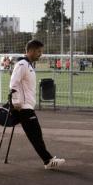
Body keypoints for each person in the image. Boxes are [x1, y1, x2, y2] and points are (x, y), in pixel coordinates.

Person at [9, 39, 66, 170]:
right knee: (35, 135)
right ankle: (48, 161)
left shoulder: (28, 65)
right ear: (31, 51)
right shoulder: (22, 64)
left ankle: (48, 160)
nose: (41, 54)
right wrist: (16, 102)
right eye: (39, 51)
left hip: (26, 106)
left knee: (36, 135)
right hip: (22, 107)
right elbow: (13, 83)